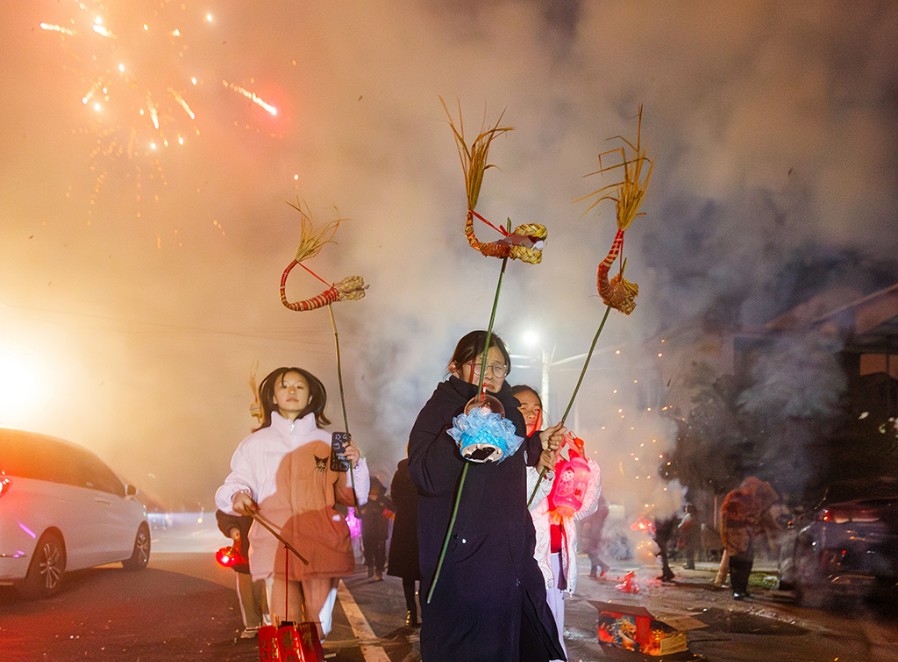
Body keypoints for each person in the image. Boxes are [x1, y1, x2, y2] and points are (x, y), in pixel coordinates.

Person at [408, 330, 567, 662]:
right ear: (455, 366)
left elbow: (504, 462)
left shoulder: (508, 410)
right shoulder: (442, 407)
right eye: (480, 365)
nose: (490, 374)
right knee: (470, 645)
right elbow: (425, 476)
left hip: (511, 551)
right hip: (465, 558)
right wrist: (462, 428)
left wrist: (537, 445)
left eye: (499, 366)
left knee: (516, 640)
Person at [215, 366, 370, 638]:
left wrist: (356, 465)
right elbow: (237, 481)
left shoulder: (329, 442)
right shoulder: (254, 444)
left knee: (318, 626)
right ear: (273, 397)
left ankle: (315, 650)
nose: (291, 391)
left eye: (299, 386)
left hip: (321, 546)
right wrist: (237, 495)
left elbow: (352, 496)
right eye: (284, 386)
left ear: (310, 396)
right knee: (284, 624)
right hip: (274, 545)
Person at [513, 384, 602, 662]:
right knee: (530, 635)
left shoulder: (556, 452)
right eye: (522, 407)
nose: (531, 413)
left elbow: (584, 508)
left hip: (554, 557)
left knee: (552, 632)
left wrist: (582, 465)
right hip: (522, 559)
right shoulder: (508, 452)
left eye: (536, 409)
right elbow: (519, 504)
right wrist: (540, 466)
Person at [719, 477, 780, 600]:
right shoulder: (734, 496)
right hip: (735, 536)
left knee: (747, 564)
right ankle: (737, 590)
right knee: (737, 564)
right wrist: (725, 537)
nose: (756, 489)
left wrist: (766, 486)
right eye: (754, 487)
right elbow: (725, 519)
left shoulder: (755, 500)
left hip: (749, 537)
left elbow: (768, 506)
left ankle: (742, 589)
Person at [215, 509, 268, 638]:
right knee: (247, 590)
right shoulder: (236, 496)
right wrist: (231, 528)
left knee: (270, 588)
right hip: (245, 549)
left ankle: (271, 623)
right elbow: (224, 511)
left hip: (269, 545)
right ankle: (253, 623)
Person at [387, 458, 422, 628]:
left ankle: (412, 612)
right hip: (422, 522)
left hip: (407, 523)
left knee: (410, 572)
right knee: (420, 571)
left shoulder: (402, 471)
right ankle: (418, 611)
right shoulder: (423, 466)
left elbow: (395, 497)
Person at [359, 477, 393, 581]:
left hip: (380, 530)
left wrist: (386, 512)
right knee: (368, 549)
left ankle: (379, 571)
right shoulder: (364, 500)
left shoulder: (384, 500)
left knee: (380, 552)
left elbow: (392, 510)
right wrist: (361, 513)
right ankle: (370, 565)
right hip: (368, 530)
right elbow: (357, 513)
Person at [579, 494, 610, 580]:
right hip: (594, 530)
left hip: (593, 531)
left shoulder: (597, 501)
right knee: (591, 552)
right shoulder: (600, 502)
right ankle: (597, 569)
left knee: (591, 551)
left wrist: (587, 521)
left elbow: (590, 512)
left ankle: (600, 567)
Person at [677, 503, 702, 570]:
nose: (685, 509)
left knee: (689, 551)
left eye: (686, 508)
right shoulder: (695, 516)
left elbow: (681, 525)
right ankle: (690, 564)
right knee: (691, 550)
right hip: (693, 535)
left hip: (688, 535)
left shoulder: (688, 516)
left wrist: (680, 528)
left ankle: (690, 565)